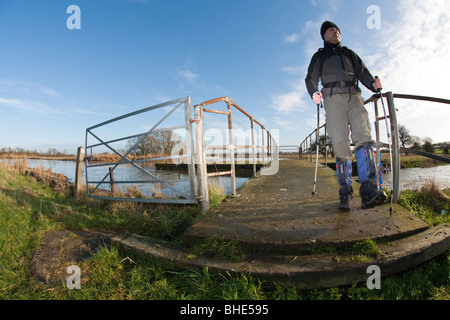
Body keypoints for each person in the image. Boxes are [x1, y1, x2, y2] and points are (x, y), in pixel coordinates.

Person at [305, 21, 386, 210]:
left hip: (354, 97)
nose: (336, 32)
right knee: (340, 142)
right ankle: (345, 192)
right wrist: (313, 92)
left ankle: (368, 189)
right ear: (324, 36)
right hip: (332, 99)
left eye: (338, 30)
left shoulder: (349, 53)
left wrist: (373, 84)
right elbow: (311, 77)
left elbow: (363, 72)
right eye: (331, 30)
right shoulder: (320, 55)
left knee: (364, 138)